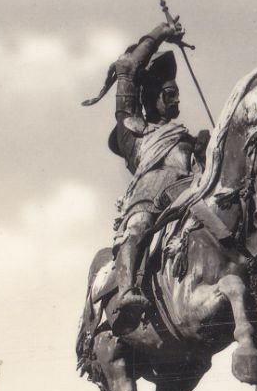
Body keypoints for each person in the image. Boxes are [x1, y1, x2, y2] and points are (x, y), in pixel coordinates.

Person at [83, 19, 207, 331]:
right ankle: (126, 293)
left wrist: (206, 150)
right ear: (152, 97)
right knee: (137, 226)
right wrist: (160, 33)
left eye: (177, 93)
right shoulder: (134, 133)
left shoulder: (184, 137)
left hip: (189, 195)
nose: (177, 99)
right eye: (169, 93)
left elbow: (204, 173)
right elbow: (127, 68)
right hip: (149, 199)